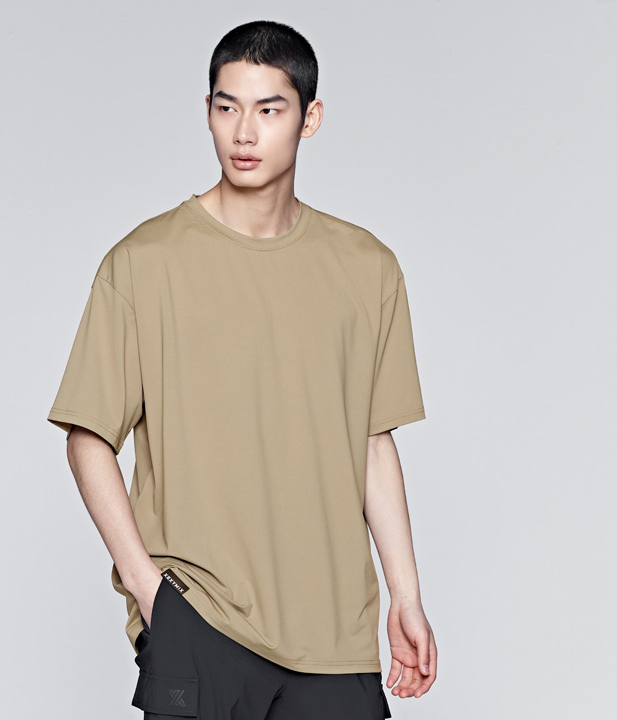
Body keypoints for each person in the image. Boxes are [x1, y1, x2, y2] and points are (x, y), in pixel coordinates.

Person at [47, 19, 437, 719]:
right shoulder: (144, 263)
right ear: (207, 111)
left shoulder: (367, 269)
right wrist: (149, 589)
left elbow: (373, 442)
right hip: (201, 619)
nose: (244, 133)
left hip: (335, 637)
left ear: (310, 118)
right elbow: (88, 435)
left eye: (269, 109)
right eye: (227, 108)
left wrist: (405, 595)